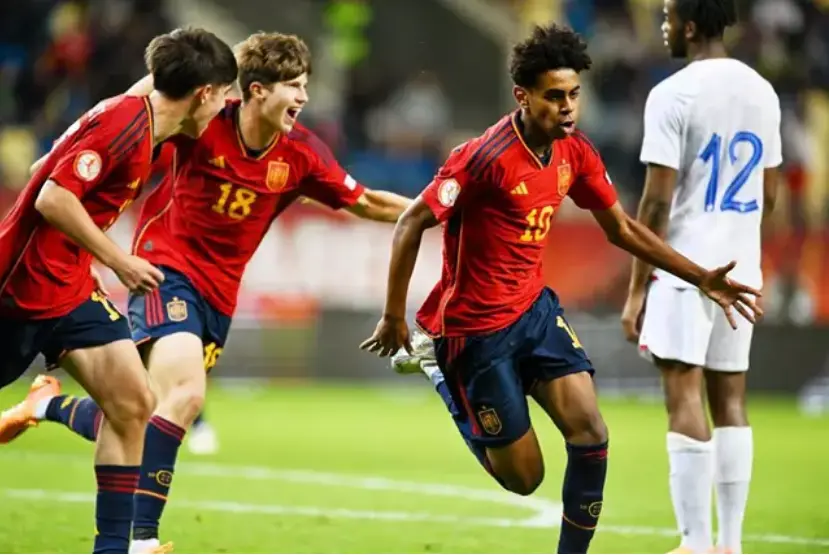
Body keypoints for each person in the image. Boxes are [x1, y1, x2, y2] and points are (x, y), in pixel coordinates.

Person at [1, 32, 410, 553]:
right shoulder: (196, 121)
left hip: (214, 295)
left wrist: (439, 209)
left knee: (139, 408)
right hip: (161, 270)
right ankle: (142, 538)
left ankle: (47, 409)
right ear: (254, 89)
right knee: (185, 395)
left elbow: (369, 202)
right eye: (294, 85)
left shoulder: (301, 154)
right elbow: (136, 110)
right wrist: (118, 254)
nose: (305, 97)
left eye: (307, 84)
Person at [361, 23, 762, 554]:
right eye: (555, 96)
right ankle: (440, 369)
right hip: (474, 333)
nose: (569, 107)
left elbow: (621, 229)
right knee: (525, 479)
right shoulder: (483, 158)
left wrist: (699, 276)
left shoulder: (575, 153)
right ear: (522, 97)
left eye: (574, 94)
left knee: (592, 434)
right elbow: (411, 221)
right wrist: (394, 316)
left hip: (533, 313)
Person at [0, 27, 237, 554]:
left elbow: (44, 167)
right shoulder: (125, 129)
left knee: (133, 402)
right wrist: (120, 260)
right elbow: (53, 197)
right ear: (203, 94)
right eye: (223, 95)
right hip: (19, 291)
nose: (224, 108)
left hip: (69, 288)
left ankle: (113, 549)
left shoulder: (139, 112)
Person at [621, 1, 781, 552]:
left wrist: (639, 285)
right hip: (743, 271)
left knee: (683, 395)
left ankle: (694, 543)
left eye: (667, 15)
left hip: (686, 269)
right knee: (731, 399)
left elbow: (656, 200)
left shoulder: (672, 94)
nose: (662, 25)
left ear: (689, 25)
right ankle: (730, 544)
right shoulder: (763, 90)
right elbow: (772, 192)